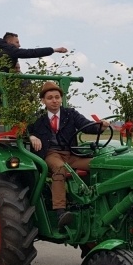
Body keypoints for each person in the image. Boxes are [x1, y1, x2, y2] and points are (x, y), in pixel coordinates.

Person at [28, 81, 110, 227]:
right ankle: (60, 212)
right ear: (43, 101)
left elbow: (86, 126)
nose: (54, 100)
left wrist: (100, 126)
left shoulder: (70, 114)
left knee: (97, 164)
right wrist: (31, 136)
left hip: (71, 154)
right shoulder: (37, 118)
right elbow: (25, 130)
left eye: (57, 97)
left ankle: (99, 204)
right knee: (59, 169)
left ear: (61, 98)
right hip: (51, 154)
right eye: (50, 98)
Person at [0, 32, 68, 74]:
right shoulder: (10, 50)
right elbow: (31, 52)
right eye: (17, 42)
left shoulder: (1, 49)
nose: (19, 45)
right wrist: (54, 50)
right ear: (9, 42)